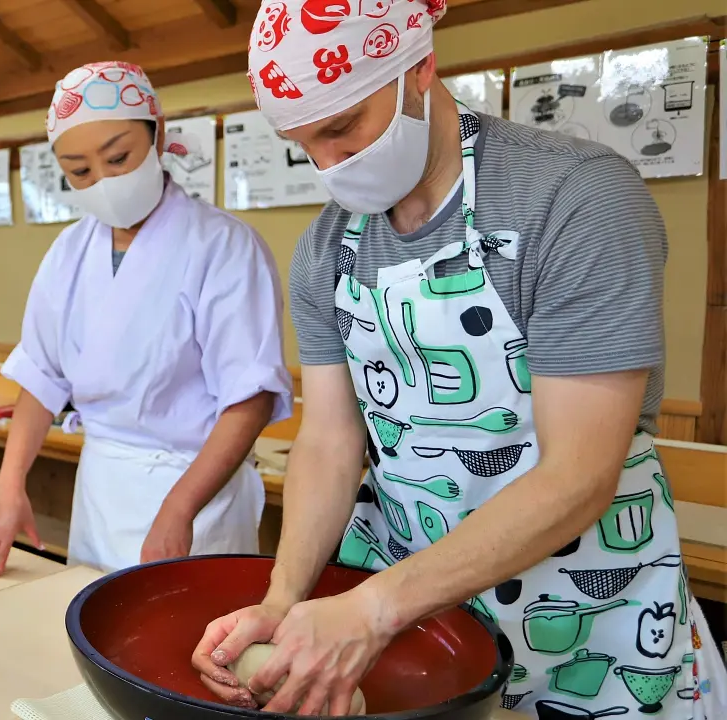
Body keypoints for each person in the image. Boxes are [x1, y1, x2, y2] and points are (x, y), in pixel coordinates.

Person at [192, 3, 726, 717]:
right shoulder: (328, 250)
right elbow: (329, 439)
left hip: (591, 625)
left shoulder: (573, 200)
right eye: (301, 144)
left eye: (342, 129)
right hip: (418, 624)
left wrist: (375, 609)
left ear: (419, 69)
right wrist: (284, 597)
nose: (329, 167)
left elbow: (579, 475)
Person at [0, 62, 293, 578]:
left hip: (194, 494)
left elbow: (248, 398)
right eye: (80, 171)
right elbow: (40, 375)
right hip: (101, 488)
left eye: (118, 157)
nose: (103, 181)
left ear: (158, 132)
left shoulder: (224, 246)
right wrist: (10, 488)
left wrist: (180, 508)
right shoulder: (69, 252)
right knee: (90, 636)